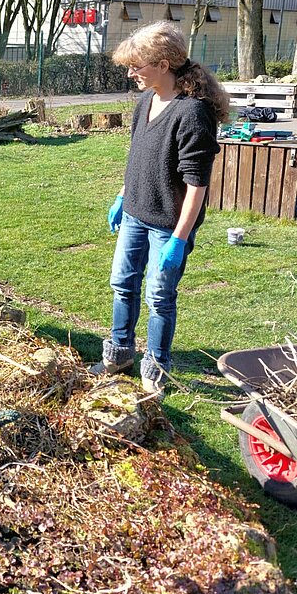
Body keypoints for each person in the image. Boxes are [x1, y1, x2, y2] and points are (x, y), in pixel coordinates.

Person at [92, 21, 228, 398]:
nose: (130, 72)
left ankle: (157, 365)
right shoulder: (145, 101)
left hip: (168, 225)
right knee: (122, 284)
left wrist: (179, 240)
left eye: (137, 65)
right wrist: (123, 196)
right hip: (136, 214)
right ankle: (119, 353)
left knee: (159, 296)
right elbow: (138, 159)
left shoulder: (192, 114)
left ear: (164, 65)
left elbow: (197, 184)